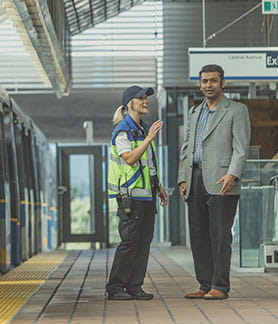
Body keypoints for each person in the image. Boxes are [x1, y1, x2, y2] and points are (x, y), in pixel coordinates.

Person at [178, 64, 250, 300]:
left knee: (220, 234)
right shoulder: (194, 112)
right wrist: (182, 178)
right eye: (204, 81)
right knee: (198, 234)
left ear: (222, 83)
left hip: (222, 179)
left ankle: (220, 286)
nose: (208, 85)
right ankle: (204, 283)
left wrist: (233, 174)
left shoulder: (236, 110)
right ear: (199, 84)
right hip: (195, 177)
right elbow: (186, 148)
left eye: (213, 81)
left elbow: (241, 148)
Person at [106, 85, 169, 300]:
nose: (145, 101)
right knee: (130, 241)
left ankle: (135, 286)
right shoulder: (123, 130)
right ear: (129, 103)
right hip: (130, 197)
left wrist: (158, 187)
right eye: (140, 98)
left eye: (146, 98)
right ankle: (115, 288)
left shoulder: (142, 128)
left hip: (146, 195)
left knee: (143, 242)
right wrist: (149, 139)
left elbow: (147, 164)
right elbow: (130, 159)